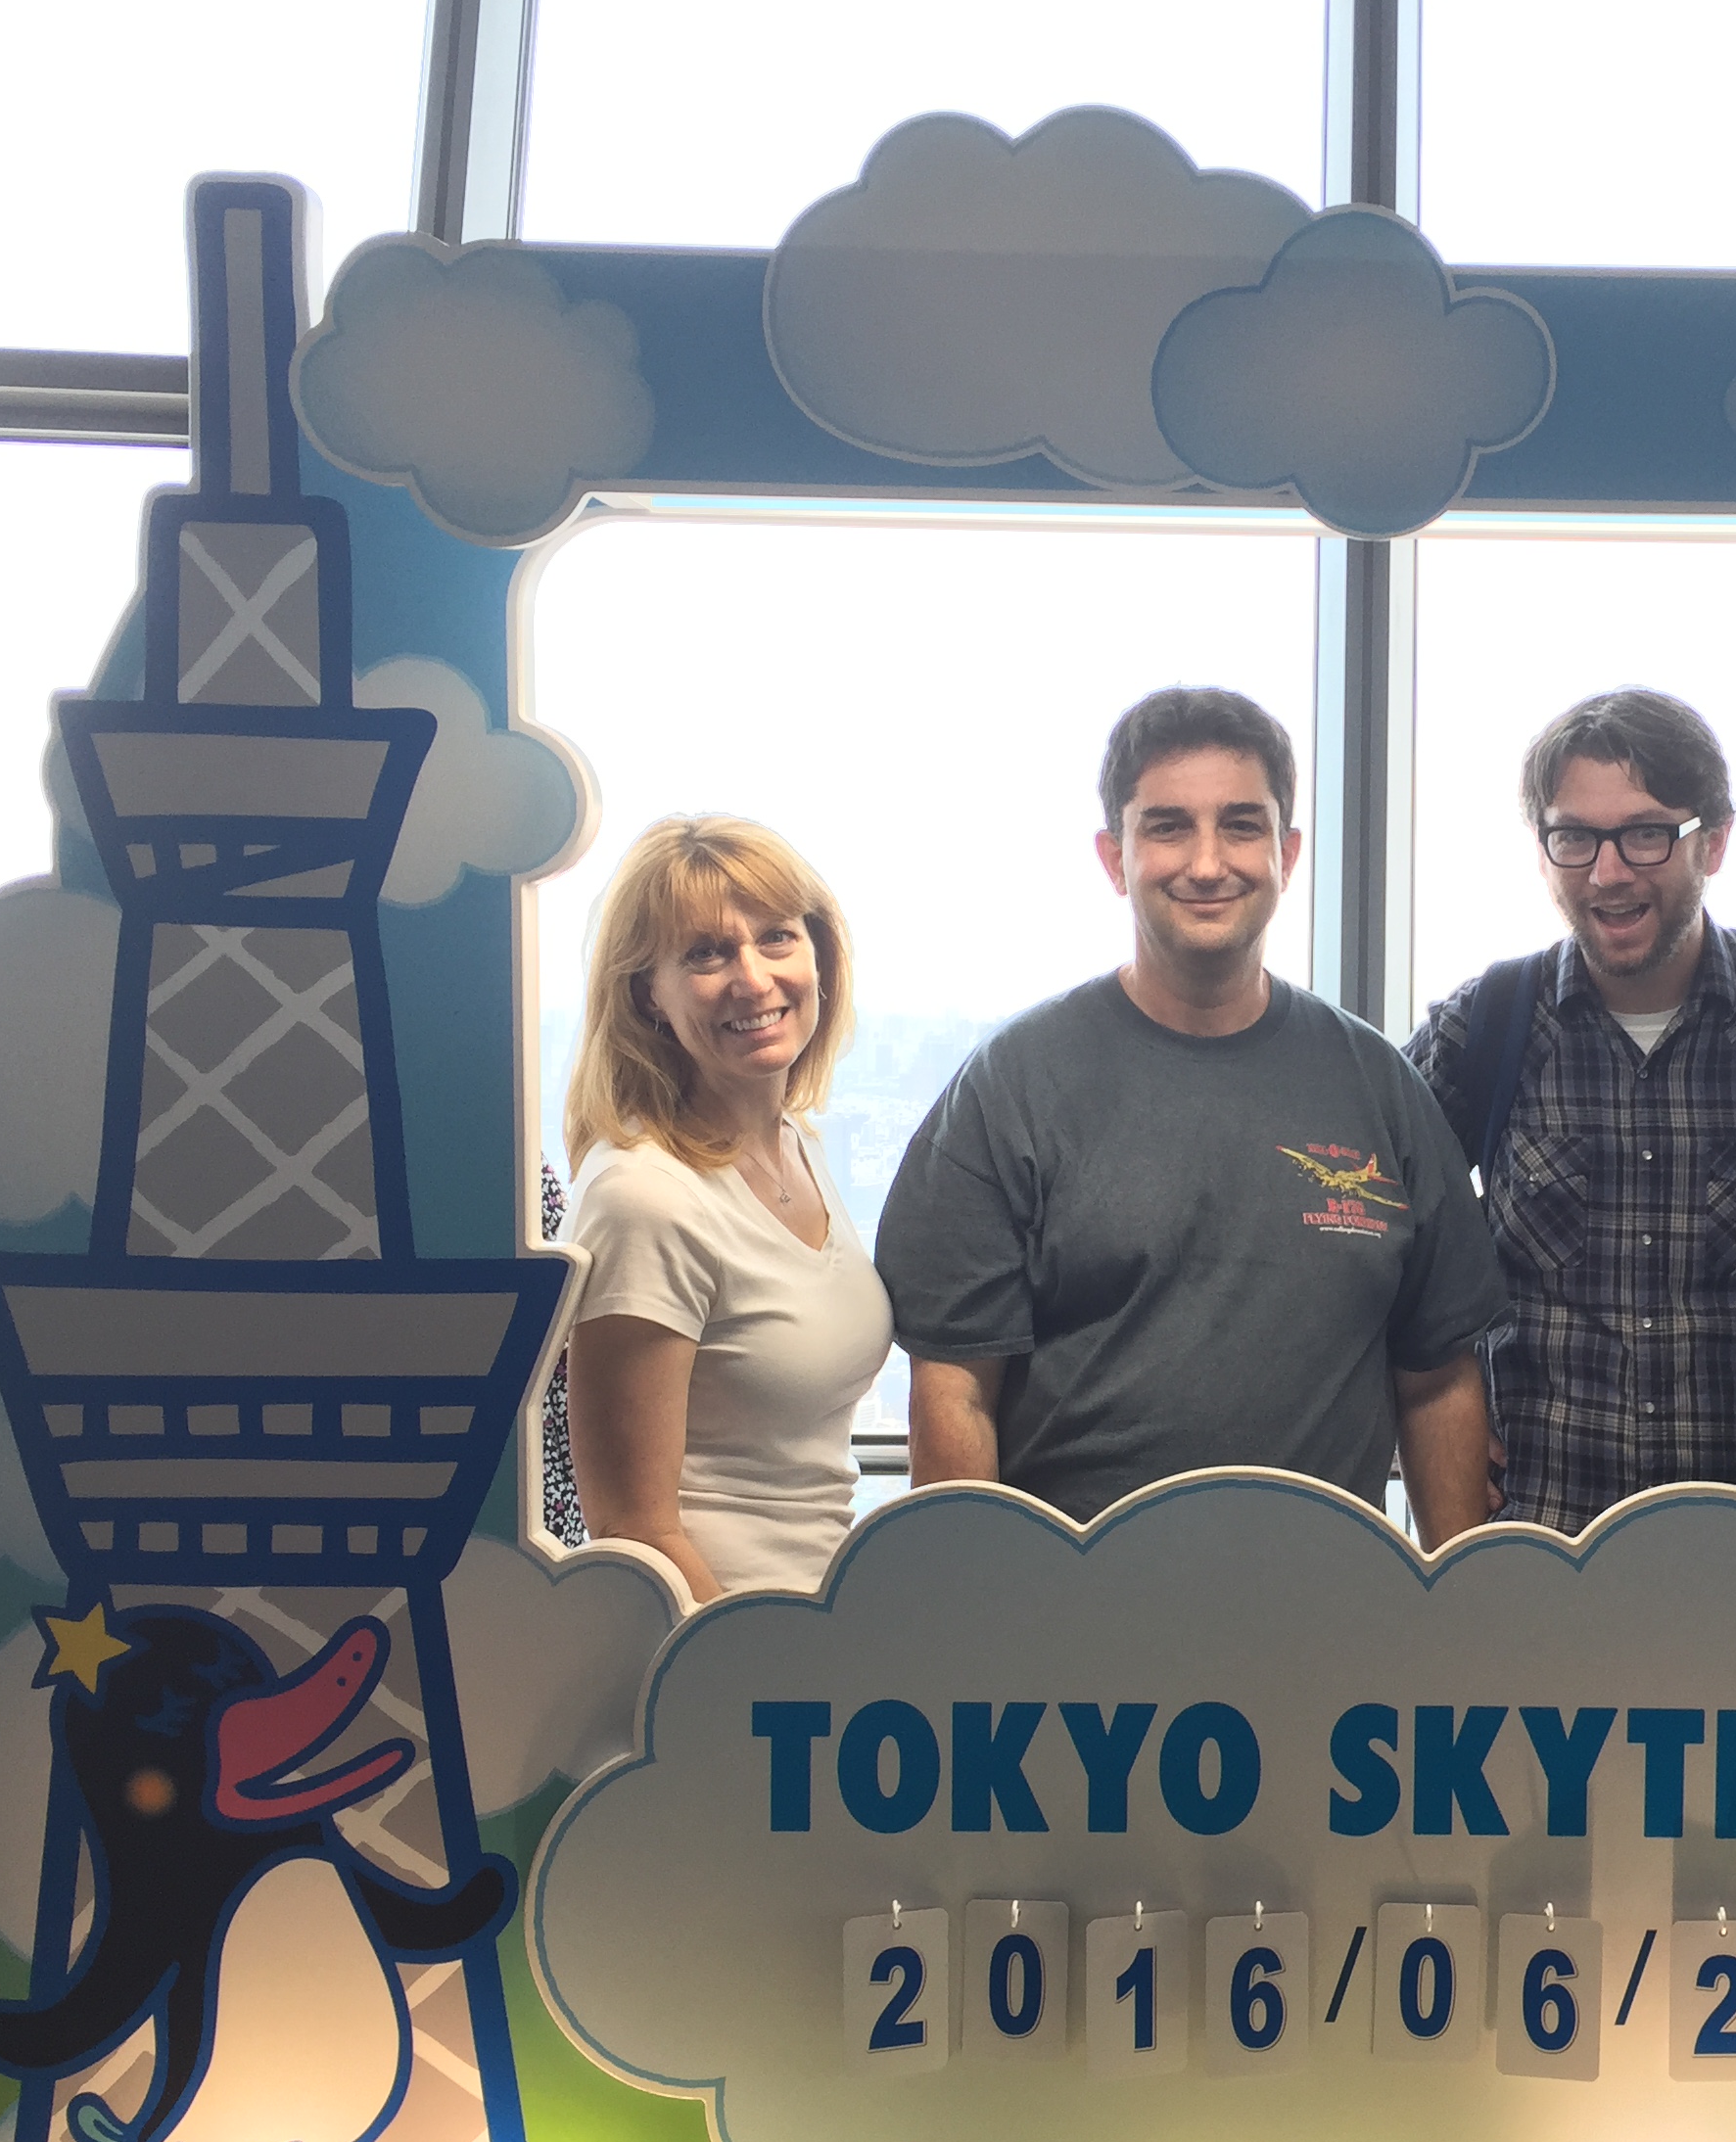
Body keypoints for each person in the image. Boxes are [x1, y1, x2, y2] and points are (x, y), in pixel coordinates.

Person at [876, 686, 1506, 1544]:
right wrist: (984, 1604)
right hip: (1074, 1612)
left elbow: (1435, 1380)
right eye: (1168, 827)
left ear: (1287, 853)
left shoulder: (1378, 1088)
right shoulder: (1013, 1088)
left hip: (1332, 1605)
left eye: (1241, 826)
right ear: (1115, 858)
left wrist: (1456, 1596)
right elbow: (955, 1391)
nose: (1207, 864)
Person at [1405, 687, 1736, 1533]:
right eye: (1574, 837)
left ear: (1715, 841)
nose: (1608, 872)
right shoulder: (1484, 1027)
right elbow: (1363, 1240)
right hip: (1533, 1550)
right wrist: (1421, 1426)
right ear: (1543, 851)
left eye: (1647, 834)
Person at [562, 816, 893, 1602]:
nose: (752, 979)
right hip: (716, 1646)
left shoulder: (796, 1145)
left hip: (815, 1628)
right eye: (705, 954)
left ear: (819, 956)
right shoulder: (645, 1197)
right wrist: (747, 1665)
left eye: (776, 937)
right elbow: (633, 1529)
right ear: (648, 994)